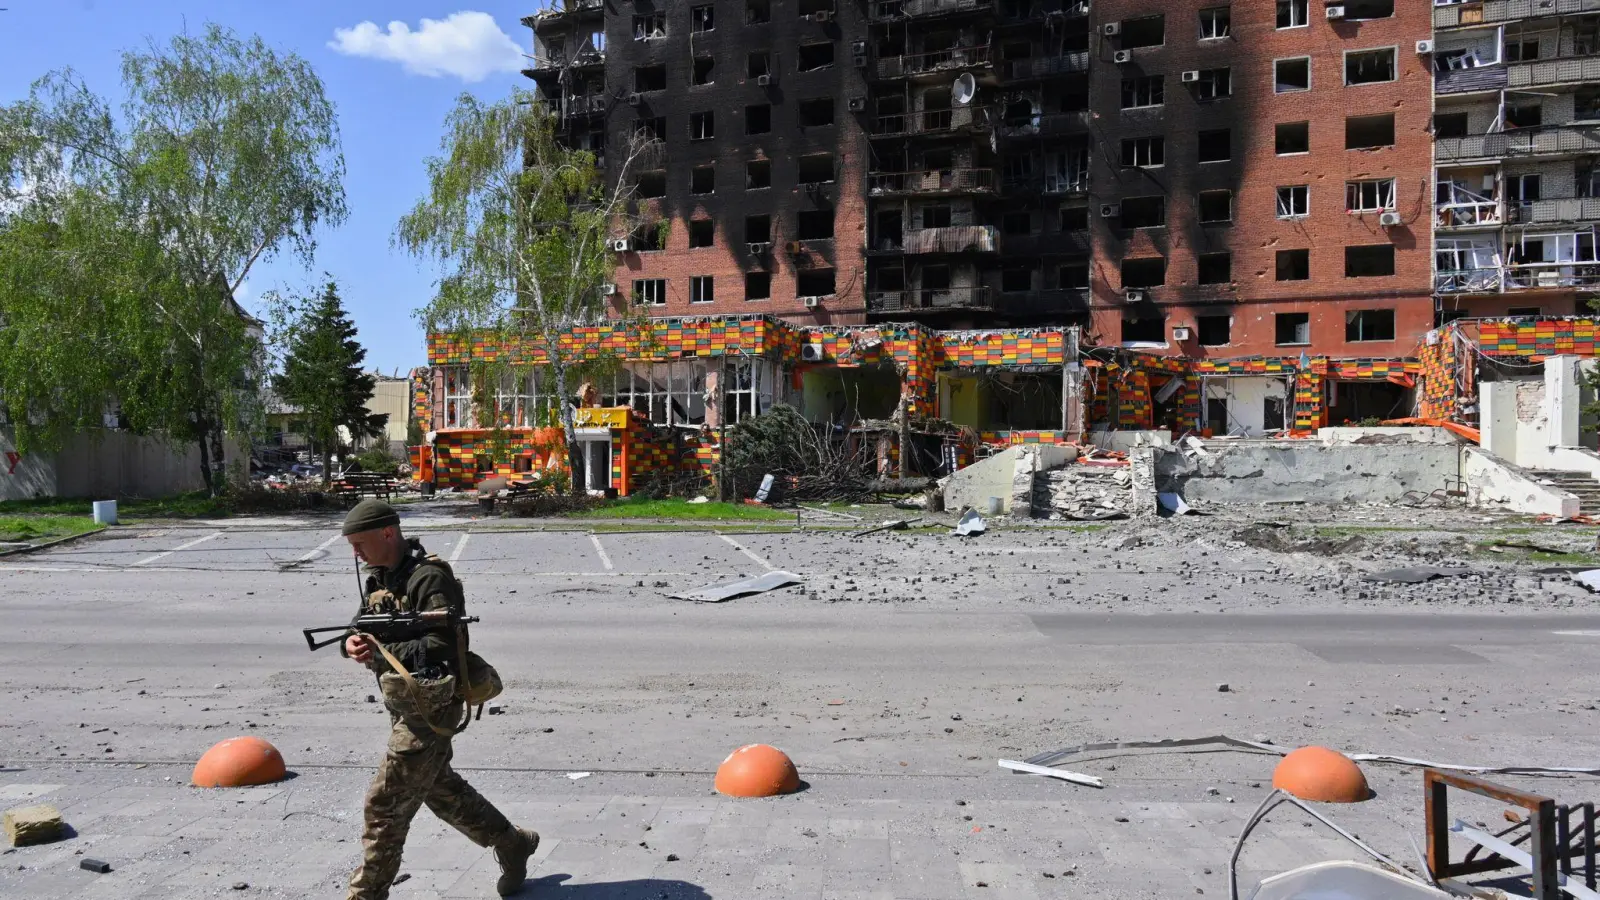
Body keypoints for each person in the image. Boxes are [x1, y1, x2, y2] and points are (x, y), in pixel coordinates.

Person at [339, 499, 537, 899]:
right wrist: (352, 644)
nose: (356, 554)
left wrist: (381, 652)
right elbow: (358, 627)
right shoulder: (379, 578)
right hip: (403, 704)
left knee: (385, 807)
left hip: (431, 706)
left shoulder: (428, 578)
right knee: (439, 789)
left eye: (360, 543)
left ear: (388, 533)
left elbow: (444, 645)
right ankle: (512, 842)